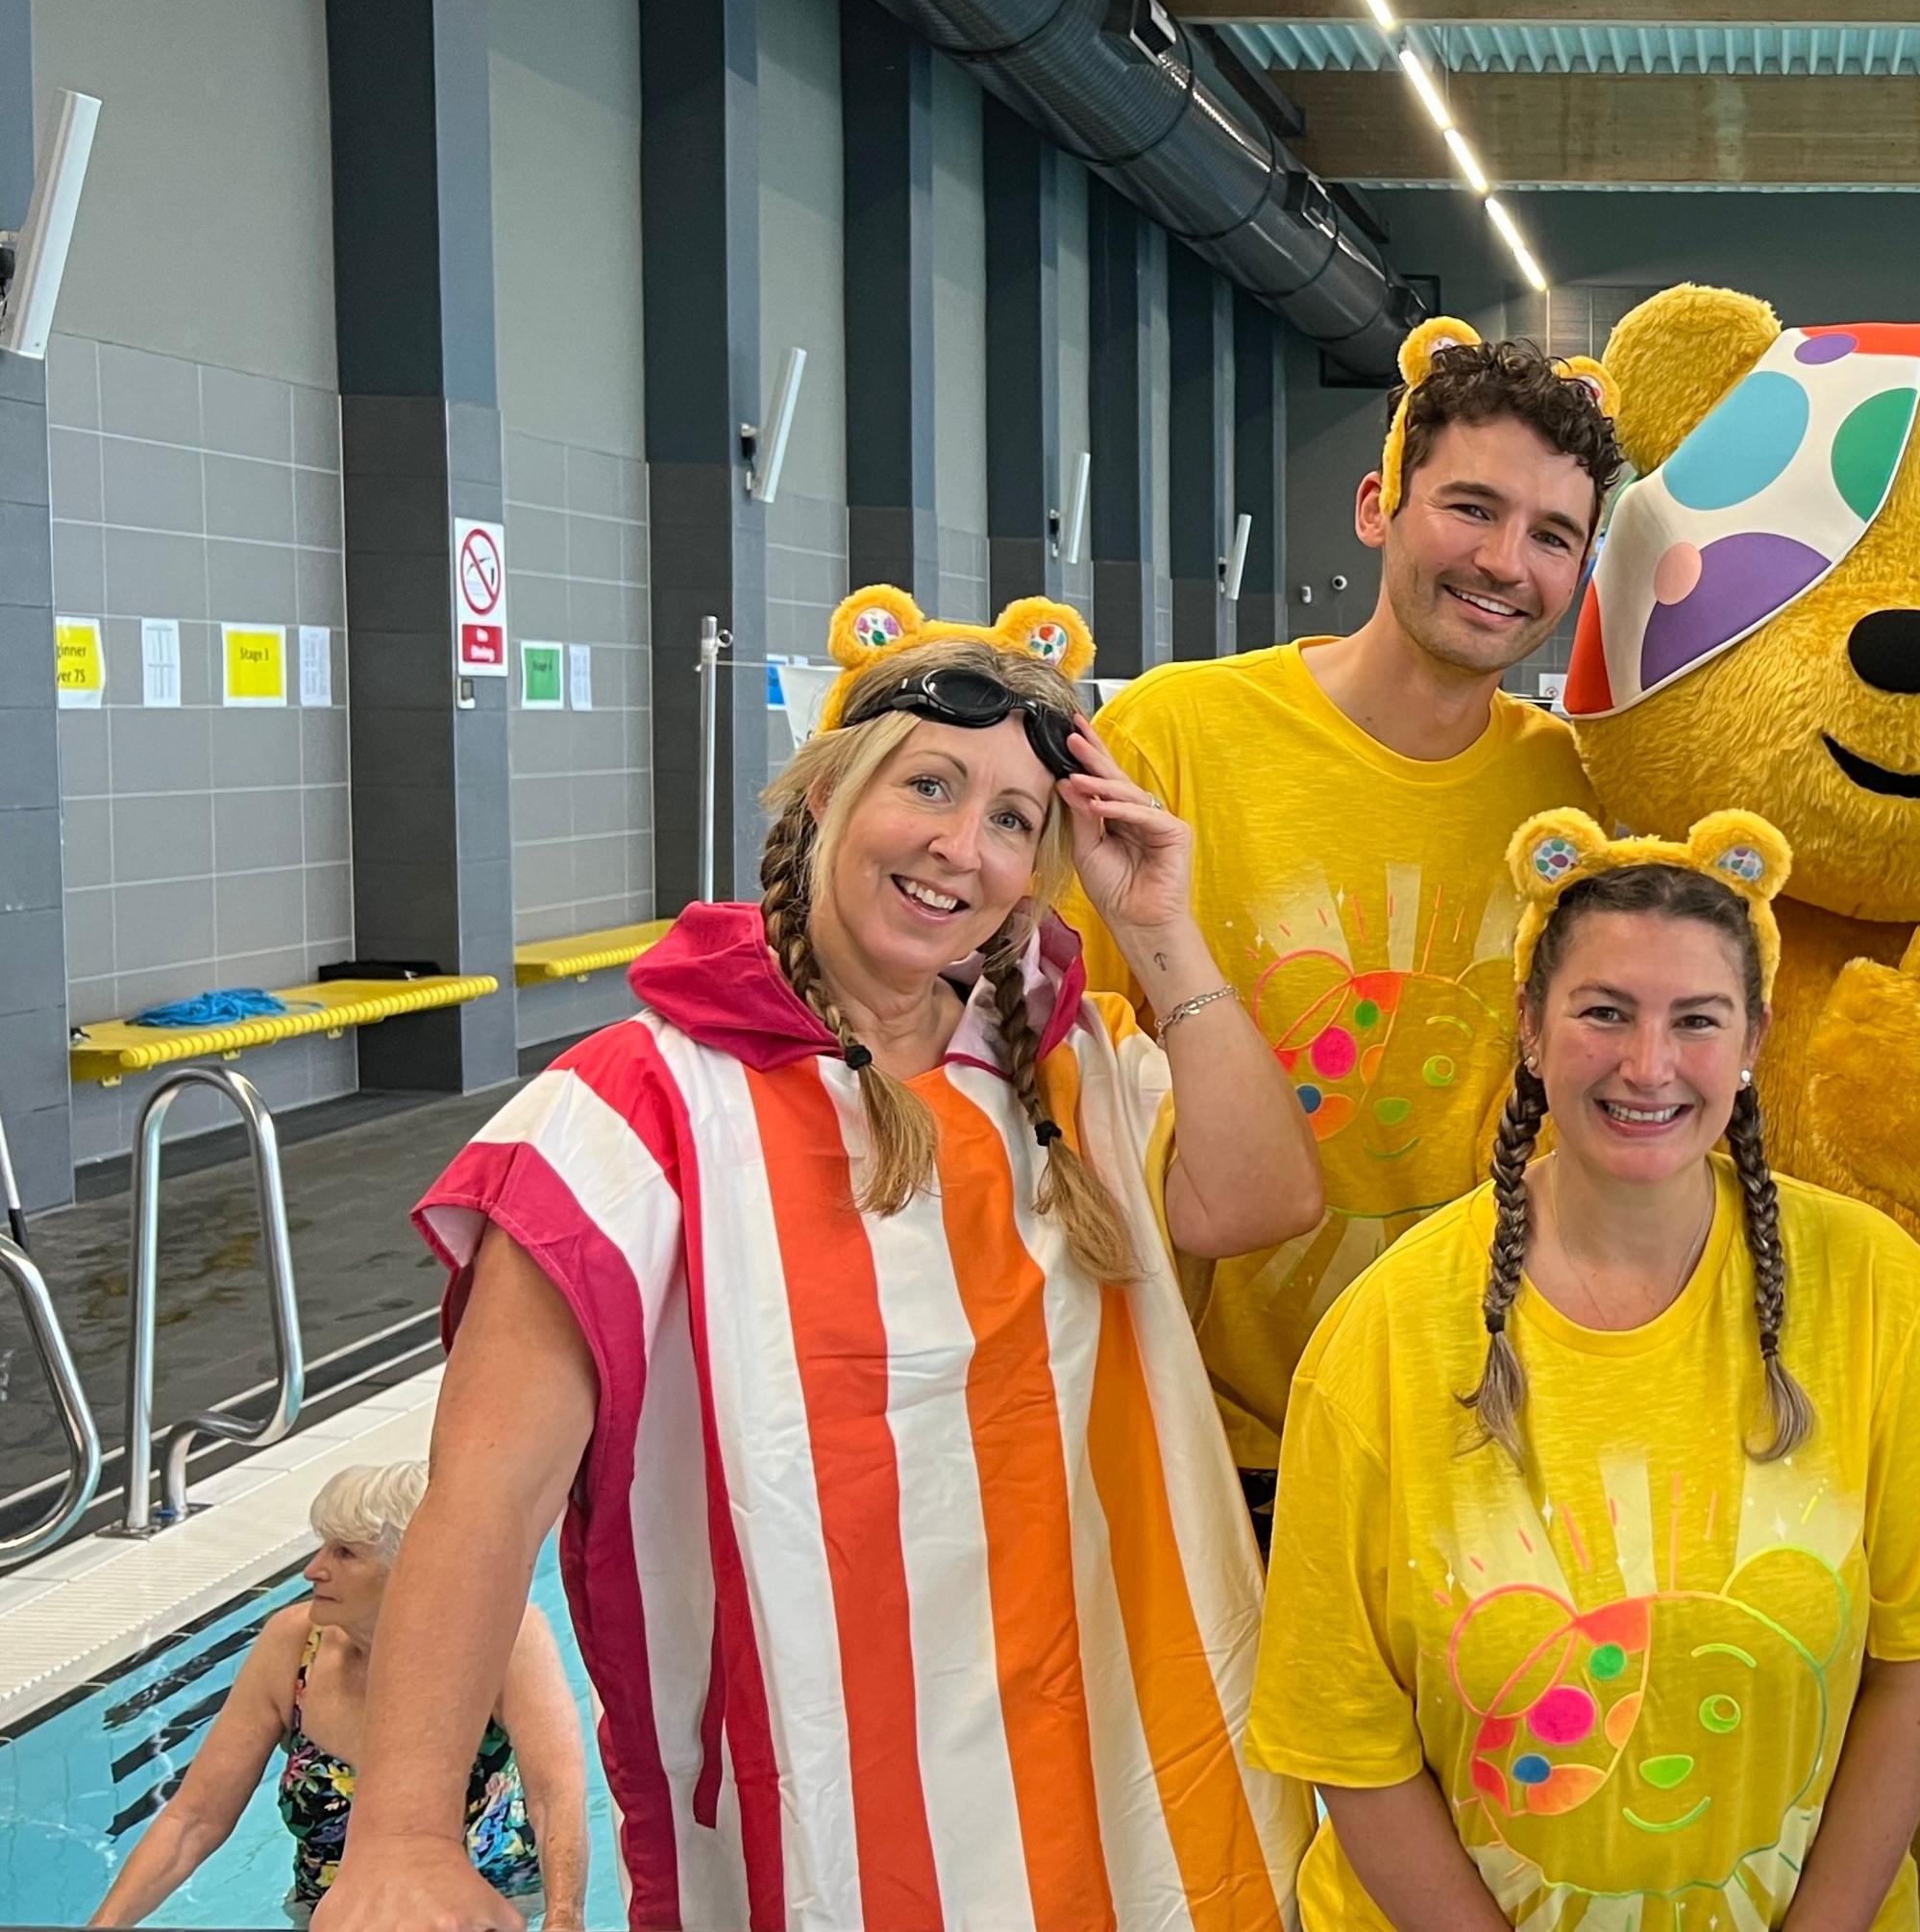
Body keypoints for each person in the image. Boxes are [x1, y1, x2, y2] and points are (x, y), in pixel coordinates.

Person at [316, 592, 1327, 1932]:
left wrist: (1162, 931)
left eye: (1015, 819)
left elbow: (1260, 1200)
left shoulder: (1066, 1069)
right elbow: (485, 1496)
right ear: (824, 800)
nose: (961, 847)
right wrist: (399, 1835)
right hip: (840, 1829)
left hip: (1125, 1788)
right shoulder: (638, 1112)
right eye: (930, 785)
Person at [1247, 807, 1920, 1931]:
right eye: (1605, 1013)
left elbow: (1918, 1668)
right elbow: (1349, 1738)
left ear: (1755, 1038)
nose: (1649, 1065)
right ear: (1530, 1026)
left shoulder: (1874, 1291)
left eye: (1697, 1020)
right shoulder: (1384, 1335)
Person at [1065, 315, 1619, 1549]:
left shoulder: (1583, 795)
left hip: (1481, 1427)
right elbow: (1058, 1065)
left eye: (1551, 535)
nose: (1502, 560)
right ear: (1378, 506)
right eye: (1469, 508)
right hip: (1212, 1446)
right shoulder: (1177, 739)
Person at [88, 1461, 584, 1929]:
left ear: (410, 1570)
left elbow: (554, 1797)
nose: (313, 1570)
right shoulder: (292, 1646)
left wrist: (565, 1920)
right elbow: (194, 1817)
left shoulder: (503, 1640)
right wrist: (103, 1926)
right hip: (329, 1916)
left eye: (344, 1553)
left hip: (482, 1913)